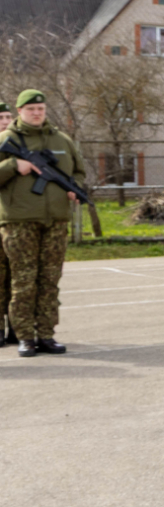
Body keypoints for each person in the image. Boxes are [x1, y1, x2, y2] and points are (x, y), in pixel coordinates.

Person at [0, 90, 85, 356]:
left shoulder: (62, 139)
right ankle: (25, 337)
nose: (36, 113)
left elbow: (78, 172)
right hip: (19, 221)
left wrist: (75, 188)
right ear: (20, 111)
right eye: (31, 109)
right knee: (24, 281)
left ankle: (46, 335)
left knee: (50, 280)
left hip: (56, 220)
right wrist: (13, 165)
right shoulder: (6, 139)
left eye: (40, 109)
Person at [0, 102, 12, 345]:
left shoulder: (17, 146)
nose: (5, 122)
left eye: (9, 117)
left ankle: (17, 327)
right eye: (1, 118)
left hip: (14, 222)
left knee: (16, 277)